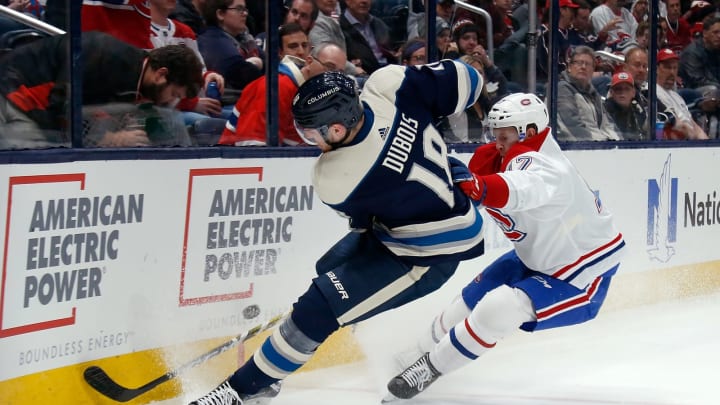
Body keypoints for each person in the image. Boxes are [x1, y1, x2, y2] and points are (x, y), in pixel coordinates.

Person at [188, 60, 487, 405]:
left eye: (312, 133)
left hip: (430, 252)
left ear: (337, 129)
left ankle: (249, 390)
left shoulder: (337, 176)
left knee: (318, 307)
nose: (309, 140)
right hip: (424, 219)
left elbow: (364, 218)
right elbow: (471, 79)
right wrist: (425, 107)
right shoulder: (391, 84)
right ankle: (302, 337)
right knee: (327, 271)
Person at [385, 92, 626, 400]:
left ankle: (429, 369)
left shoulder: (549, 168)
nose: (497, 143)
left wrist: (479, 187)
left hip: (582, 273)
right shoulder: (499, 156)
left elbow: (521, 189)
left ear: (529, 132)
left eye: (505, 135)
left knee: (499, 308)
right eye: (494, 134)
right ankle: (413, 355)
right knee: (469, 300)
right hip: (536, 256)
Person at [0, 31, 204, 149]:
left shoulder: (134, 81)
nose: (169, 102)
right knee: (35, 153)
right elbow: (61, 107)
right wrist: (107, 139)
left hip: (29, 106)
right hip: (11, 94)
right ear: (161, 74)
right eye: (174, 94)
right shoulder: (104, 55)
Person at [218, 39, 347, 146]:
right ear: (309, 62)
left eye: (340, 73)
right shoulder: (276, 87)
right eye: (329, 68)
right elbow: (253, 147)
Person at [556, 46, 620, 141]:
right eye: (578, 63)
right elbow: (572, 125)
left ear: (593, 70)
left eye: (588, 64)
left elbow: (608, 124)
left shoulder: (593, 94)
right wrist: (598, 146)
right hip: (576, 150)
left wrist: (620, 143)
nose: (583, 67)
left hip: (599, 147)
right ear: (569, 67)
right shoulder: (562, 89)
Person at [198, 0, 263, 90]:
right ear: (220, 14)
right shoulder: (212, 41)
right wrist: (258, 63)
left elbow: (271, 64)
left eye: (245, 9)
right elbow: (244, 74)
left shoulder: (244, 37)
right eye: (239, 9)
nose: (245, 13)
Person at [655, 48, 709, 140]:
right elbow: (678, 126)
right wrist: (693, 135)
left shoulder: (677, 96)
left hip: (690, 144)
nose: (672, 72)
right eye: (668, 67)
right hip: (674, 145)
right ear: (656, 69)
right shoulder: (653, 92)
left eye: (675, 68)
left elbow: (694, 126)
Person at [604, 72, 648, 140]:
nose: (622, 92)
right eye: (618, 89)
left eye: (627, 89)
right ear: (611, 93)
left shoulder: (638, 109)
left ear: (633, 93)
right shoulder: (604, 112)